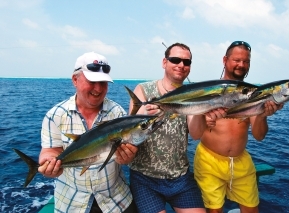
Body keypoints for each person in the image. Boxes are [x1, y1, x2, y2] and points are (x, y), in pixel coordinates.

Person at [188, 41, 284, 213]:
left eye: (246, 61)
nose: (242, 65)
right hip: (209, 161)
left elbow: (259, 135)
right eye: (237, 60)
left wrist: (262, 116)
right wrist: (202, 116)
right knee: (214, 210)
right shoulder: (209, 90)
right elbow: (195, 132)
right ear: (225, 60)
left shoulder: (252, 94)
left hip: (241, 162)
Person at [37, 52, 138, 213]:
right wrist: (49, 163)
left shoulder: (116, 112)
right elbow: (50, 151)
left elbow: (123, 155)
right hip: (72, 202)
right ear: (75, 80)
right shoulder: (55, 115)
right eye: (92, 81)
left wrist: (127, 157)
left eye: (103, 82)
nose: (98, 89)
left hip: (116, 199)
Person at [128, 43, 206, 213]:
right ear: (164, 62)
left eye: (187, 62)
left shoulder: (192, 94)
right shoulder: (143, 89)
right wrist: (147, 112)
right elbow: (132, 131)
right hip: (145, 178)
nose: (181, 65)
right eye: (175, 60)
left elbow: (196, 134)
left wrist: (201, 108)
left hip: (180, 178)